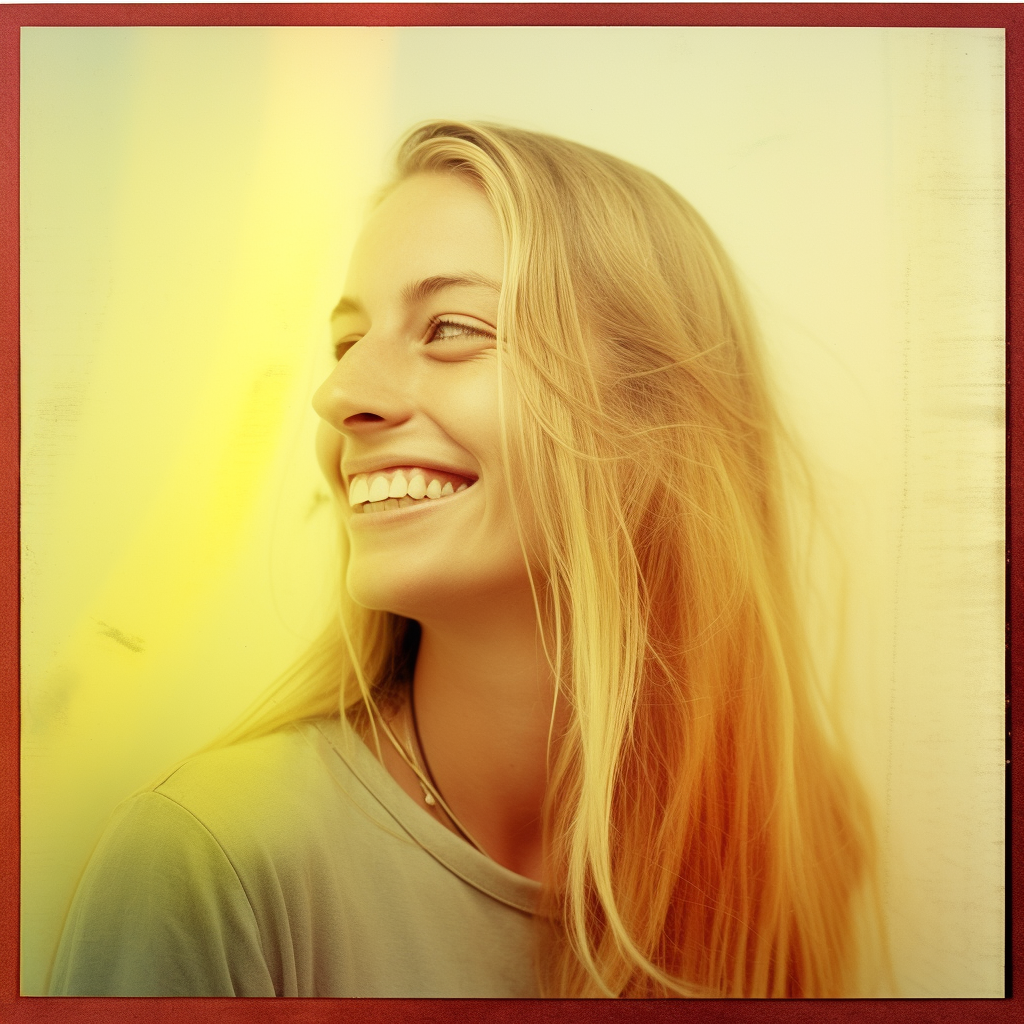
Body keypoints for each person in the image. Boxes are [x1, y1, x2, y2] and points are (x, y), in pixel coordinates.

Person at [49, 121, 879, 998]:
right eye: (346, 343)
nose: (339, 396)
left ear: (649, 417)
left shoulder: (791, 858)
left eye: (449, 327)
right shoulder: (207, 862)